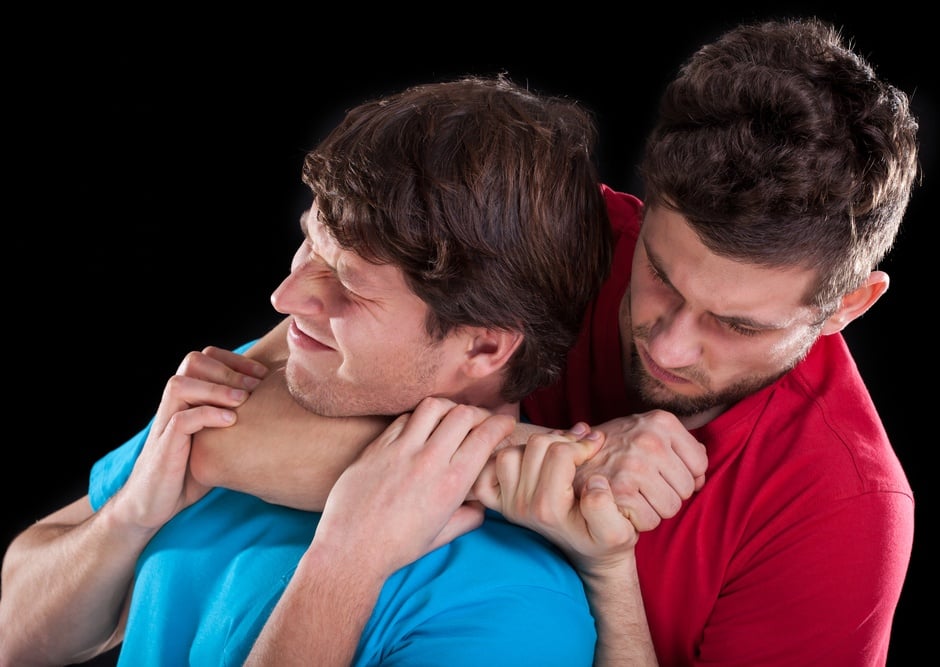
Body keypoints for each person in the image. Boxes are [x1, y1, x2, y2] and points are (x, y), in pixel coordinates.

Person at [184, 16, 921, 667]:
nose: (669, 347)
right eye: (660, 274)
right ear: (645, 202)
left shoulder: (842, 512)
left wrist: (607, 567)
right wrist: (530, 463)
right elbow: (219, 423)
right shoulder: (559, 242)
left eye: (738, 325)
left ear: (847, 306)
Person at [0, 74, 655, 666]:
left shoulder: (512, 610)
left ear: (483, 347)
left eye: (347, 281)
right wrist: (130, 516)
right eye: (309, 244)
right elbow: (15, 636)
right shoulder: (254, 398)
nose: (286, 300)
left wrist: (346, 564)